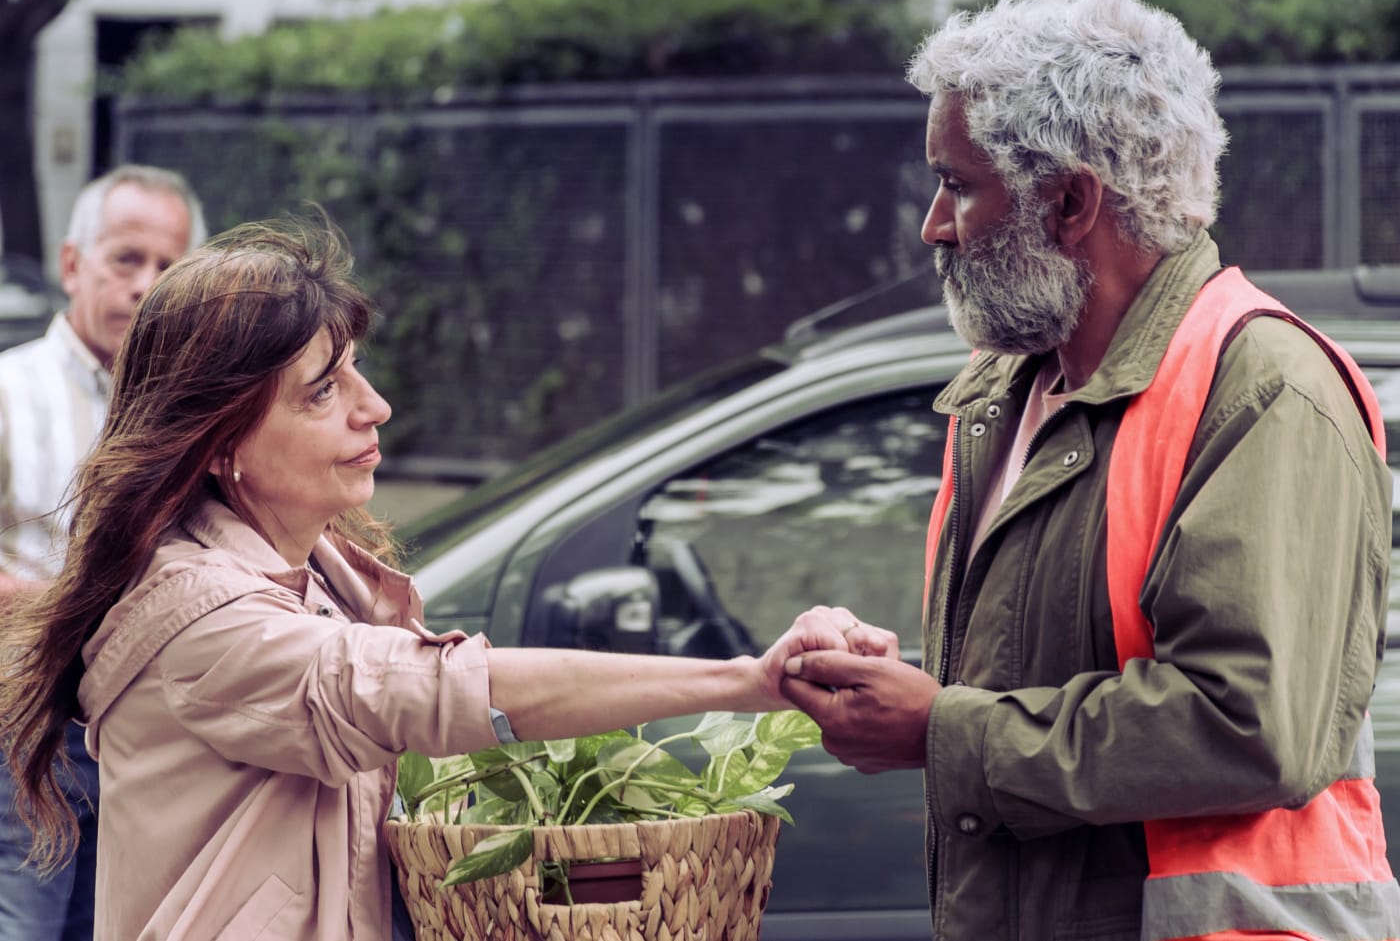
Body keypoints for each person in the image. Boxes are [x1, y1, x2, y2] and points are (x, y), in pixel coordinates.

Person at [0, 213, 895, 941]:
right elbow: (435, 690)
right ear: (220, 441)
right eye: (323, 390)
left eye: (354, 369)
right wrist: (748, 681)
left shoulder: (320, 574)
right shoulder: (204, 620)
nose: (374, 406)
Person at [779, 0, 1400, 941]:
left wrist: (941, 730)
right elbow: (1036, 680)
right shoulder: (1008, 389)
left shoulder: (1266, 390)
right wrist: (893, 684)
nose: (934, 224)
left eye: (958, 185)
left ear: (1071, 202)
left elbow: (1247, 723)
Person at [0, 164, 204, 941]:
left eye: (168, 265)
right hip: (26, 731)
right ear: (72, 264)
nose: (145, 284)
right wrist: (69, 607)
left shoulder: (183, 412)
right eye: (126, 258)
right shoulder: (10, 392)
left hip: (145, 735)